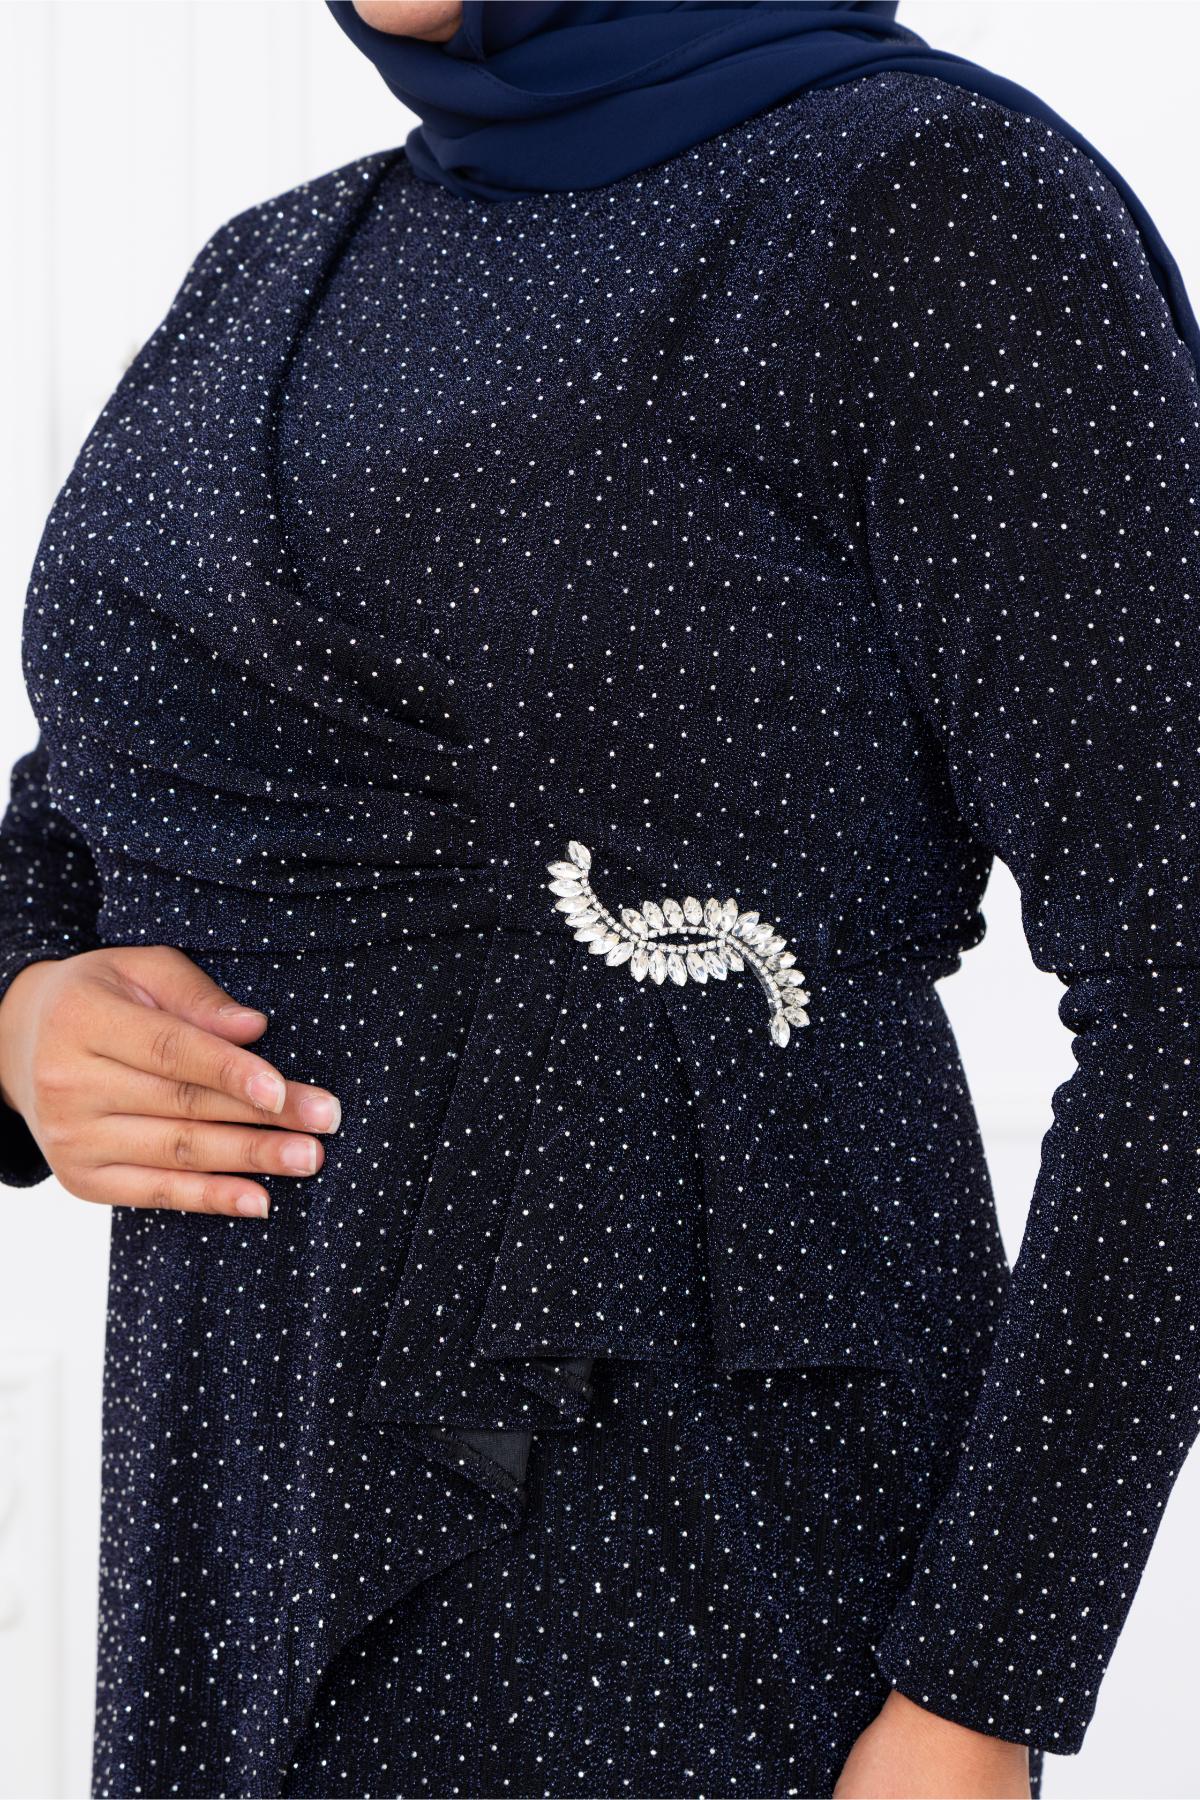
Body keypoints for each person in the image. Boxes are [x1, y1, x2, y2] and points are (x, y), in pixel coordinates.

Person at [1, 2, 1197, 1795]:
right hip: (234, 1518)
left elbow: (1181, 981)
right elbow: (89, 799)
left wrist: (978, 1691)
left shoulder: (920, 198)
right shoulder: (266, 268)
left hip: (696, 1540)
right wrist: (24, 1008)